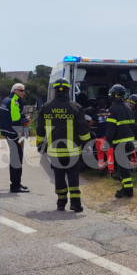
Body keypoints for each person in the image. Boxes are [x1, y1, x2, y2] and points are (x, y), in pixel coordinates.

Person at [35, 78, 91, 211]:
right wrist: (87, 144)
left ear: (54, 90)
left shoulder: (46, 107)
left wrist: (39, 145)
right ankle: (75, 203)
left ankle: (61, 203)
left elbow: (39, 130)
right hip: (72, 152)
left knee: (59, 176)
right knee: (73, 176)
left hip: (54, 152)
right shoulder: (76, 107)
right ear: (68, 90)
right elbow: (83, 130)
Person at [104, 84, 135, 198]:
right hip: (130, 142)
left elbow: (110, 129)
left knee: (123, 169)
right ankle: (126, 188)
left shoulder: (113, 108)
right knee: (124, 167)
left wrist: (107, 143)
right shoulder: (128, 107)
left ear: (114, 94)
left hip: (120, 143)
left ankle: (128, 191)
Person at [0, 83, 31, 193]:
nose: (23, 92)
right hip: (15, 133)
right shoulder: (14, 101)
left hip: (8, 132)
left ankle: (16, 183)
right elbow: (16, 120)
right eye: (21, 90)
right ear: (15, 91)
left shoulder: (6, 100)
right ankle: (15, 185)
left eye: (24, 90)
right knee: (17, 159)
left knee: (14, 158)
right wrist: (26, 120)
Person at [91, 98, 114, 175]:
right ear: (106, 106)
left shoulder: (95, 115)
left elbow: (90, 124)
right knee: (109, 153)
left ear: (97, 107)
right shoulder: (109, 114)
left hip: (99, 137)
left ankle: (101, 169)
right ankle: (111, 170)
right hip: (108, 137)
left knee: (100, 153)